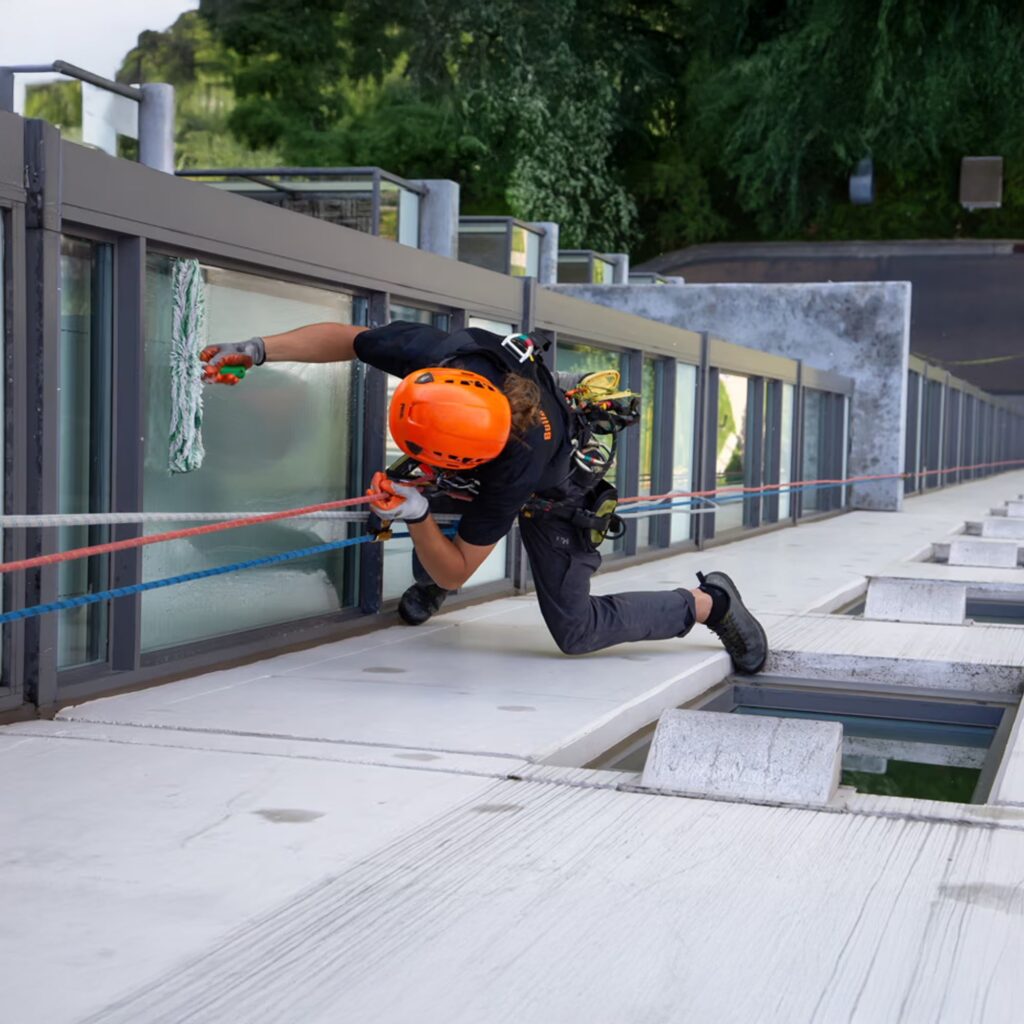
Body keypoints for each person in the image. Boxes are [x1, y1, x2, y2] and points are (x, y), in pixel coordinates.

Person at [201, 320, 768, 672]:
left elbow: (456, 570)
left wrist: (418, 513)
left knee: (577, 632)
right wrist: (256, 348)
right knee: (420, 498)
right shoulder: (446, 359)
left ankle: (709, 603)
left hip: (555, 491)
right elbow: (347, 338)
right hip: (479, 463)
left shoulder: (517, 463)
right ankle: (432, 519)